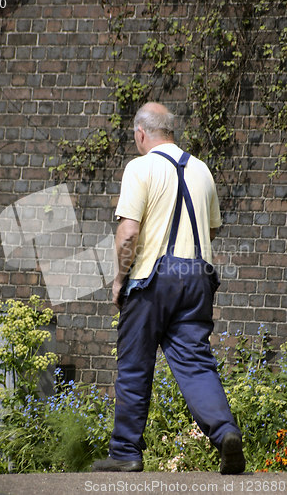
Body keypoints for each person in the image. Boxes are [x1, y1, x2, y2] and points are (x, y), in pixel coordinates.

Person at [92, 102, 245, 474]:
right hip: (197, 278)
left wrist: (118, 280)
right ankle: (225, 432)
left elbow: (128, 234)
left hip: (153, 279)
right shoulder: (203, 170)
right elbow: (208, 232)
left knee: (134, 365)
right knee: (195, 363)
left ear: (141, 134)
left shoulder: (140, 167)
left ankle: (126, 452)